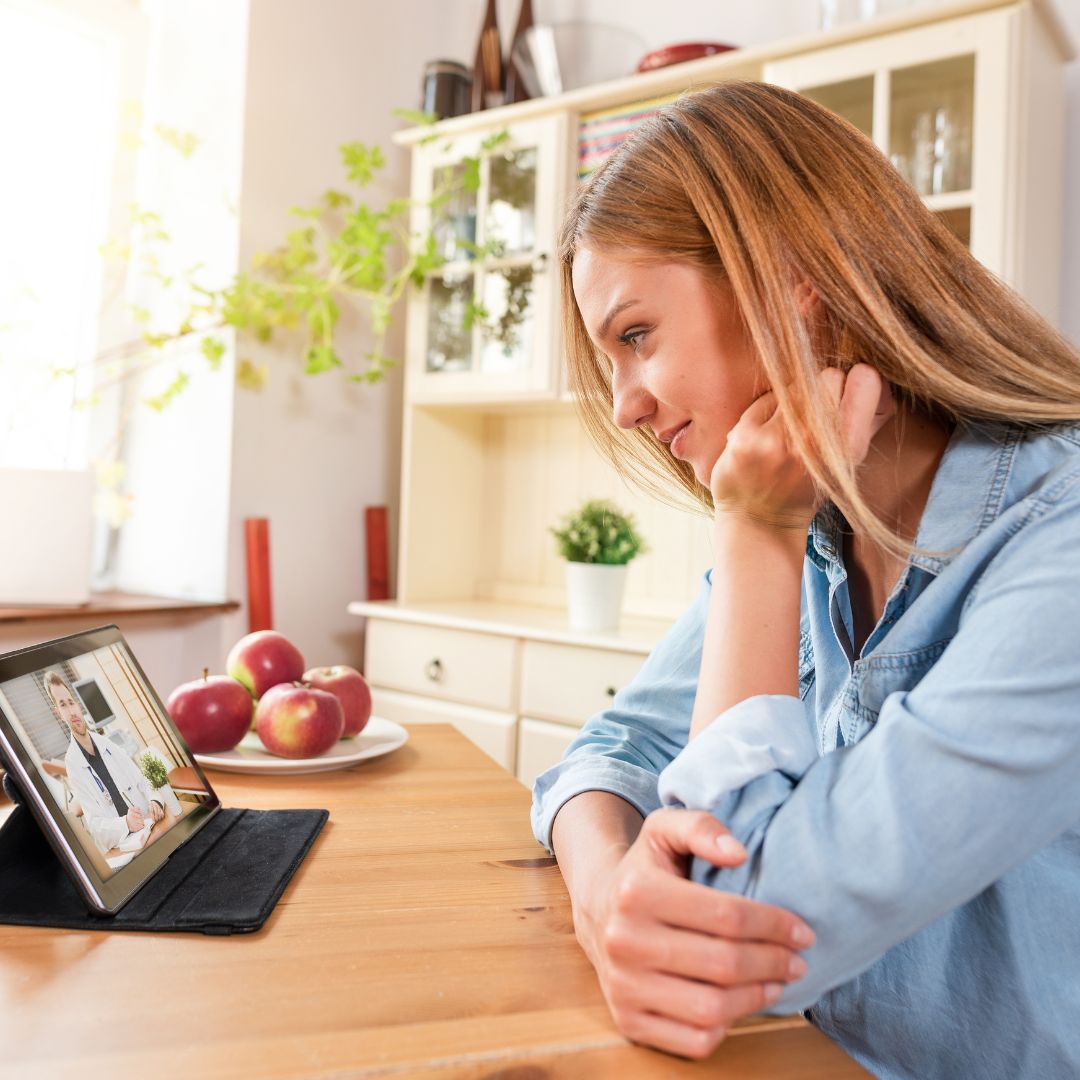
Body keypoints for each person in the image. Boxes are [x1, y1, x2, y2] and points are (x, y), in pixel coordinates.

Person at [531, 81, 1080, 1078]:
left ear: (790, 282)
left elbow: (739, 918)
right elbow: (610, 747)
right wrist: (607, 888)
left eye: (637, 336)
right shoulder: (822, 525)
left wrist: (755, 533)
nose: (625, 407)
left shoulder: (1060, 542)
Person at [45, 671, 164, 854]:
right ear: (58, 713)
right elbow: (94, 825)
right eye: (63, 705)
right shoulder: (73, 764)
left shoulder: (108, 745)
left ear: (77, 704)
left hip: (150, 827)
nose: (71, 711)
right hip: (124, 845)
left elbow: (142, 780)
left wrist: (155, 799)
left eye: (71, 702)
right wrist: (126, 823)